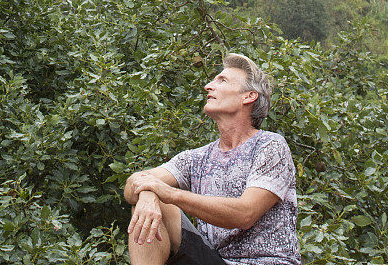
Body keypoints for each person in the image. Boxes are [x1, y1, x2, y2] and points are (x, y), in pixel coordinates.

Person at [123, 52, 300, 265]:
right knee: (148, 201)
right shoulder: (196, 158)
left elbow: (245, 214)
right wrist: (149, 194)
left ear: (248, 96)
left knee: (158, 195)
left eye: (222, 80)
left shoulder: (271, 146)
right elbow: (135, 181)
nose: (208, 86)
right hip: (216, 261)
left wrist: (167, 192)